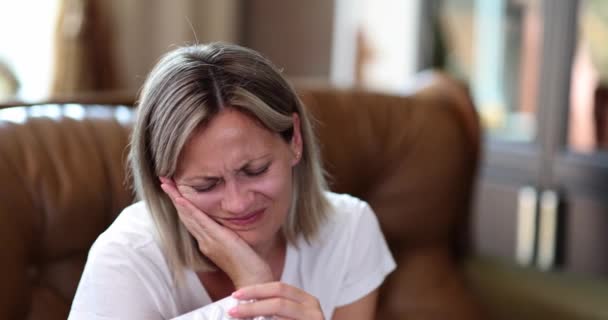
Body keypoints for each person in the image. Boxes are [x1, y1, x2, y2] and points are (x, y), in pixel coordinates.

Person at [68, 42, 396, 320]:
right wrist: (251, 297)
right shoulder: (127, 255)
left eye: (255, 170)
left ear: (295, 139)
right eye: (206, 185)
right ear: (163, 181)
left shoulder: (349, 231)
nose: (238, 202)